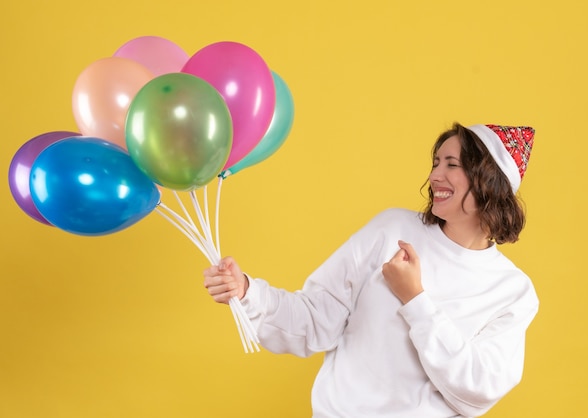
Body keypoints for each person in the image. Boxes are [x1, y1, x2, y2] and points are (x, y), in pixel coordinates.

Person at [203, 122, 538, 417]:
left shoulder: (512, 291)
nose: (436, 175)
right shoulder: (392, 229)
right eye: (436, 163)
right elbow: (315, 318)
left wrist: (415, 299)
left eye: (453, 165)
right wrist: (248, 291)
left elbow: (476, 390)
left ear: (490, 183)